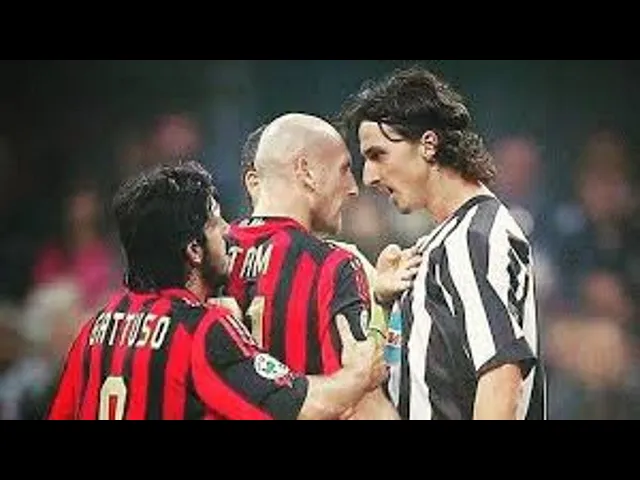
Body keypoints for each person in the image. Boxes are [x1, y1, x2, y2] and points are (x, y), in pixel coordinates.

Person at [46, 161, 387, 420]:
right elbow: (302, 407)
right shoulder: (201, 331)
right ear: (194, 250)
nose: (227, 230)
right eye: (215, 221)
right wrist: (357, 377)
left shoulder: (95, 328)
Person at [337, 65, 547, 420]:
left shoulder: (473, 237)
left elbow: (500, 378)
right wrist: (381, 304)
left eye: (378, 155)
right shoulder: (441, 242)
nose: (369, 177)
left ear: (429, 145)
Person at [225, 113, 405, 419]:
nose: (353, 188)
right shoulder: (334, 265)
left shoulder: (206, 257)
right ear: (306, 172)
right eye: (344, 170)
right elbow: (363, 404)